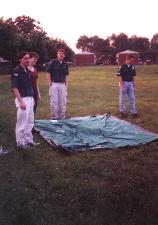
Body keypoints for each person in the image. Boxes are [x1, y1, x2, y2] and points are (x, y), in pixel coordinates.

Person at [11, 51, 35, 150]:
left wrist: (32, 98)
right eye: (25, 58)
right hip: (23, 99)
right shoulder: (17, 71)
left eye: (28, 58)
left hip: (30, 98)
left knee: (30, 121)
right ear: (20, 59)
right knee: (21, 122)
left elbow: (29, 85)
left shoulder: (27, 71)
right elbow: (14, 88)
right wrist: (21, 102)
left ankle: (29, 140)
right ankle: (20, 144)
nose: (27, 60)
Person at [47, 49, 69, 120]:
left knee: (62, 102)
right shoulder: (53, 62)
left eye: (62, 53)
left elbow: (66, 75)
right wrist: (50, 83)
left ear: (64, 55)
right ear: (57, 54)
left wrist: (66, 86)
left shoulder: (65, 64)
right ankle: (54, 118)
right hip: (54, 84)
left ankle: (62, 117)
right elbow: (48, 72)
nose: (61, 54)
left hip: (62, 84)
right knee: (54, 102)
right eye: (60, 53)